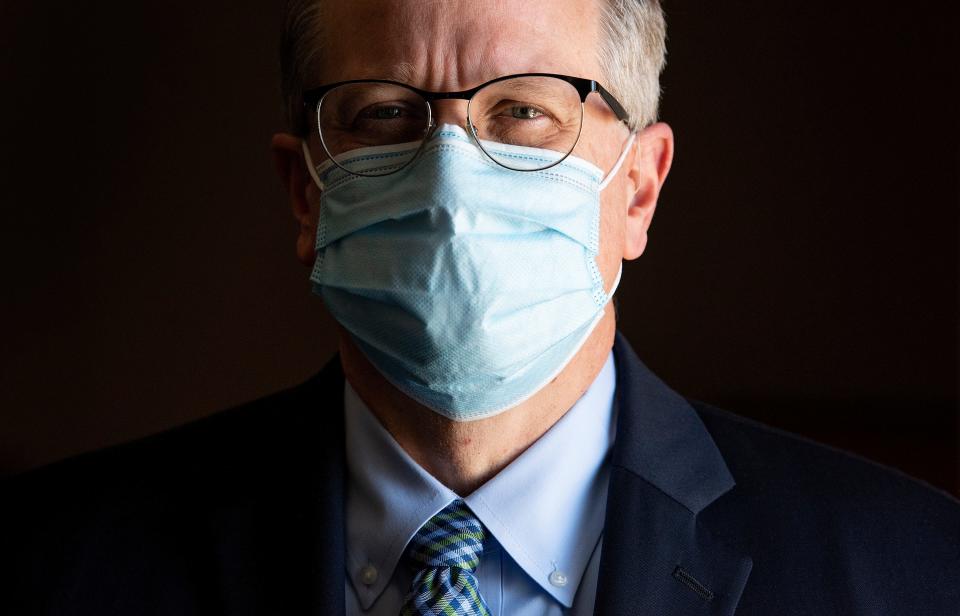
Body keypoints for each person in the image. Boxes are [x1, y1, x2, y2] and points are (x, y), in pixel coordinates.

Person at [3, 1, 958, 614]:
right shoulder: (55, 569)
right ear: (308, 194)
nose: (451, 183)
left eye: (526, 112)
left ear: (637, 192)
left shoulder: (915, 576)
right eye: (383, 113)